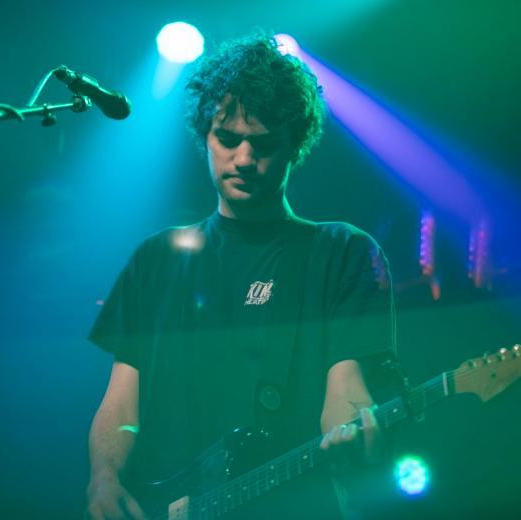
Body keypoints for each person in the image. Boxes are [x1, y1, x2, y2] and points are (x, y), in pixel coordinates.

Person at [86, 33, 398, 519]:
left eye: (265, 143)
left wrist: (353, 429)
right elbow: (121, 403)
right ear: (204, 138)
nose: (245, 159)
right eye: (228, 139)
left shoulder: (342, 251)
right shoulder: (155, 259)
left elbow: (347, 389)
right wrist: (104, 479)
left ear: (295, 146)